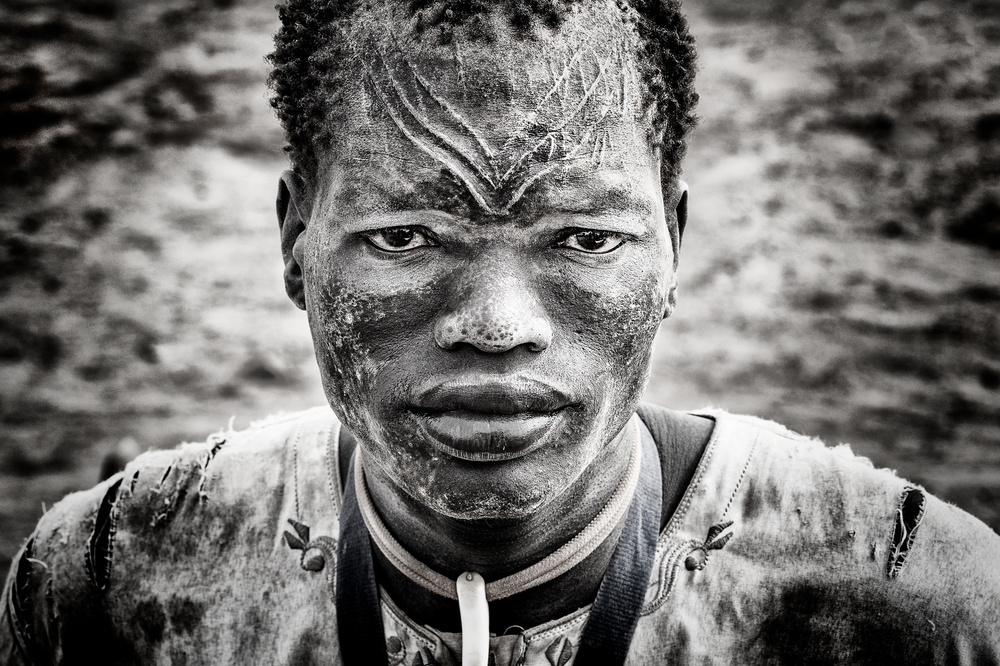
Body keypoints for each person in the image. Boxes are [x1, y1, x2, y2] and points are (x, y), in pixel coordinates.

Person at [2, 0, 998, 664]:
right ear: (296, 240)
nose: (497, 325)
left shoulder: (913, 599)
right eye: (405, 235)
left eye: (585, 238)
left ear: (674, 243)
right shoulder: (113, 579)